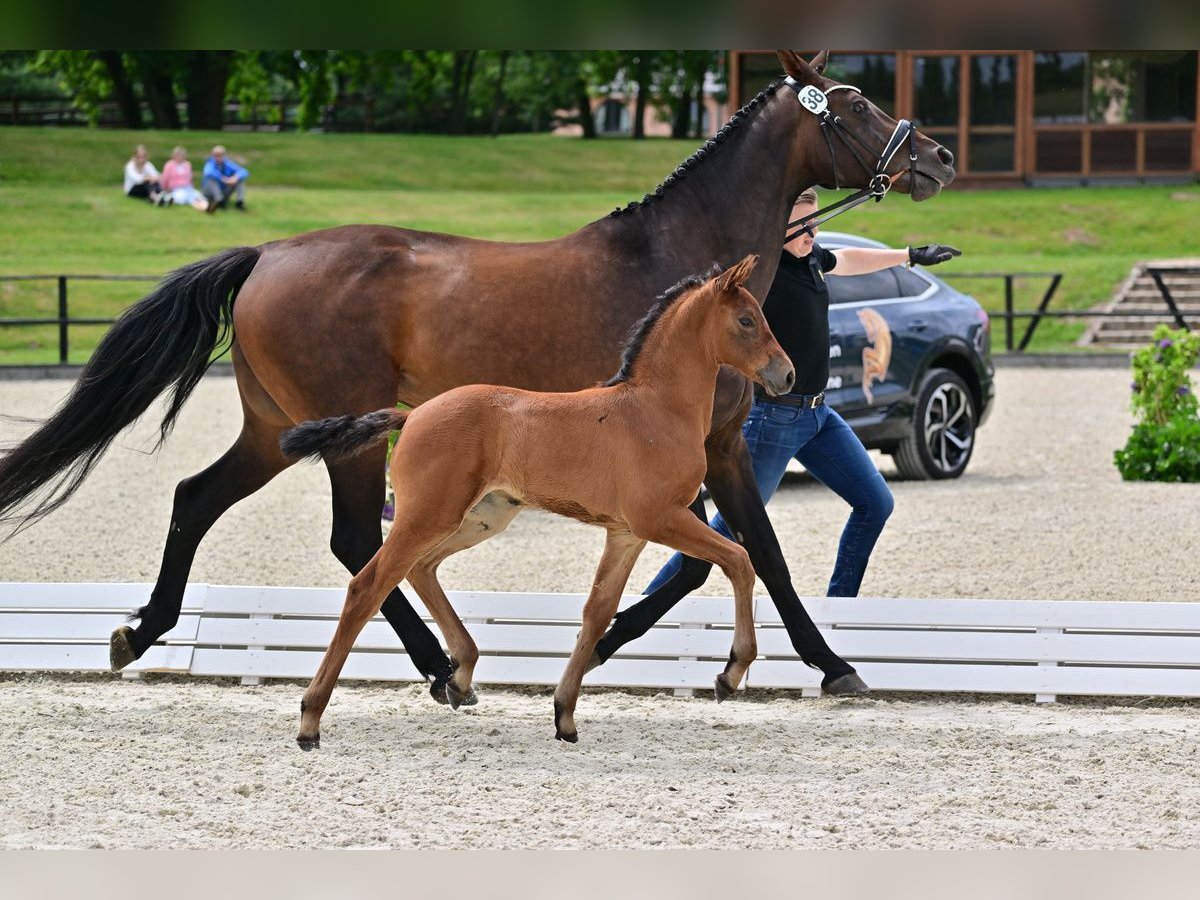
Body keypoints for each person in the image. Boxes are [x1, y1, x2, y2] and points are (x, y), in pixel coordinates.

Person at [644, 188, 961, 598]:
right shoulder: (764, 275)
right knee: (731, 529)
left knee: (875, 503)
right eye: (803, 224)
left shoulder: (812, 258)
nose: (814, 231)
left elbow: (847, 260)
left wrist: (910, 255)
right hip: (773, 419)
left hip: (818, 416)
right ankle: (644, 608)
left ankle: (838, 608)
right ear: (778, 226)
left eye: (817, 222)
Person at [159, 147, 210, 211]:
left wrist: (191, 186)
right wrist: (165, 188)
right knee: (185, 198)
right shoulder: (169, 165)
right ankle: (203, 208)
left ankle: (206, 207)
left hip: (187, 187)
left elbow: (190, 178)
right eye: (178, 155)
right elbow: (165, 178)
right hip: (176, 188)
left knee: (197, 197)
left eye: (182, 155)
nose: (180, 157)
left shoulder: (187, 164)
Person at [201, 145, 249, 213]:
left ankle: (239, 202)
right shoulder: (209, 163)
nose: (218, 158)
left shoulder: (227, 163)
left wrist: (235, 178)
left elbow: (244, 171)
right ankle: (219, 201)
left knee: (240, 180)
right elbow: (208, 172)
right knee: (212, 179)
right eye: (216, 155)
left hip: (223, 191)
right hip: (209, 193)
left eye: (220, 155)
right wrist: (222, 179)